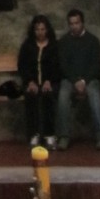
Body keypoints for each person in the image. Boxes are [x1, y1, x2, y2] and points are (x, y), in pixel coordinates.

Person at [55, 8, 100, 150]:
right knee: (63, 95)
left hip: (89, 79)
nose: (74, 26)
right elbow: (63, 65)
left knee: (95, 95)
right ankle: (64, 136)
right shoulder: (64, 42)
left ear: (82, 23)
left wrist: (84, 80)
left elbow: (96, 64)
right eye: (71, 23)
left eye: (77, 23)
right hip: (70, 79)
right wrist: (75, 80)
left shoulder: (92, 41)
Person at [17, 14, 60, 150]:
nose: (40, 32)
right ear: (33, 30)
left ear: (47, 30)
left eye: (42, 29)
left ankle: (49, 134)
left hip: (50, 81)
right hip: (32, 82)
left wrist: (49, 80)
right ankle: (34, 134)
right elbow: (22, 65)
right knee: (30, 97)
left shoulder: (54, 45)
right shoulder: (27, 45)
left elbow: (57, 66)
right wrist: (30, 81)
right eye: (37, 29)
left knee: (48, 96)